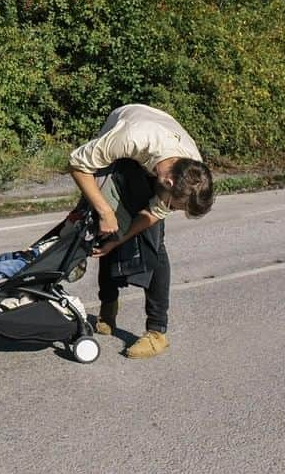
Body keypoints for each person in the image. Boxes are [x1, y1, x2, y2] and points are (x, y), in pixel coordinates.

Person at [68, 103, 214, 359]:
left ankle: (157, 332)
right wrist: (105, 211)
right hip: (127, 133)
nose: (173, 210)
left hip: (159, 152)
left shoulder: (192, 171)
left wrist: (118, 240)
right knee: (106, 221)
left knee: (154, 244)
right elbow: (77, 164)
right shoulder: (131, 138)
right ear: (168, 183)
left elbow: (151, 215)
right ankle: (108, 304)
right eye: (175, 206)